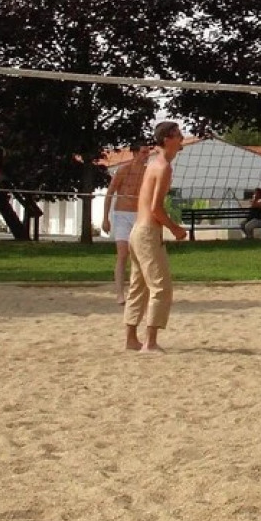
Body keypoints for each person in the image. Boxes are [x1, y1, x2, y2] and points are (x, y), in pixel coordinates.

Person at [125, 122, 188, 353]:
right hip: (147, 233)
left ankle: (131, 339)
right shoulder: (163, 167)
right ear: (168, 139)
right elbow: (156, 208)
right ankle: (150, 343)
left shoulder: (154, 163)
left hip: (137, 232)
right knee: (161, 287)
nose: (182, 138)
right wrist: (175, 228)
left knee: (138, 286)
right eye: (179, 135)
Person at [102, 143, 151, 306]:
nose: (147, 155)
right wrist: (105, 218)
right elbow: (109, 193)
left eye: (148, 152)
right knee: (123, 254)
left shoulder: (148, 172)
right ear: (135, 153)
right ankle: (119, 294)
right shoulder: (123, 170)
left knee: (141, 255)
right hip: (122, 214)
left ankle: (138, 291)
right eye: (144, 152)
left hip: (139, 215)